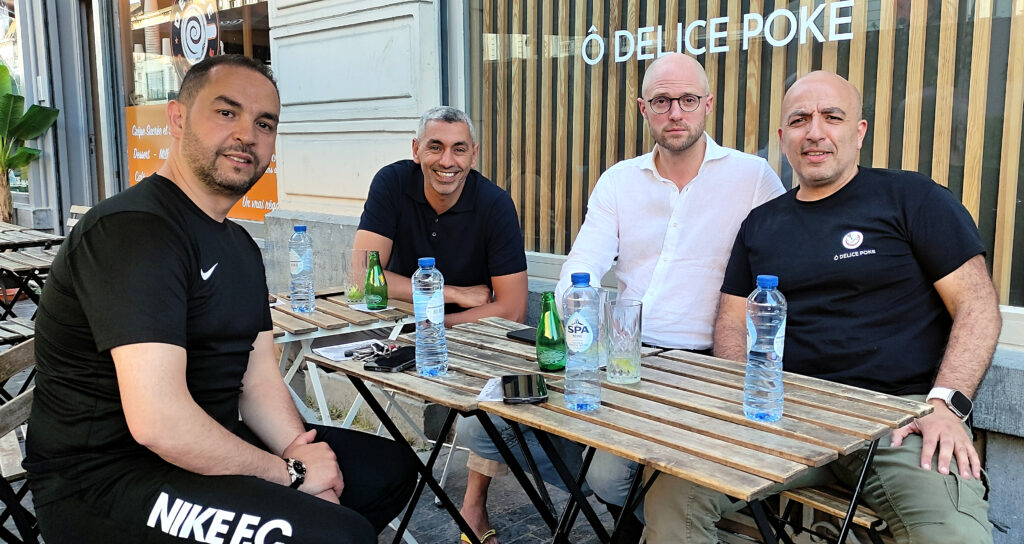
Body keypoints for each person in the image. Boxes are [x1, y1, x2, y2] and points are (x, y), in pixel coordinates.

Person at [23, 54, 417, 544]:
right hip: (107, 482)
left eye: (264, 123)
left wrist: (299, 453)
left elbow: (258, 383)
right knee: (340, 536)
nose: (247, 135)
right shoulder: (133, 231)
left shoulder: (239, 247)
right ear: (177, 118)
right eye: (226, 112)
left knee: (390, 468)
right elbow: (159, 423)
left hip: (209, 447)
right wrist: (292, 475)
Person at [642, 70, 999, 543]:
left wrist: (946, 405)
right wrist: (739, 398)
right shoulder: (761, 224)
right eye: (799, 120)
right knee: (672, 502)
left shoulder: (912, 198)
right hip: (785, 416)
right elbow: (731, 324)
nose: (815, 132)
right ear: (782, 137)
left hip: (898, 421)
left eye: (832, 117)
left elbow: (977, 305)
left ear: (859, 131)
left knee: (952, 535)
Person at [454, 53, 785, 544]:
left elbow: (780, 268)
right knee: (478, 429)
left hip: (700, 366)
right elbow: (579, 271)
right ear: (642, 108)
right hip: (621, 357)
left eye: (688, 100)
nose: (676, 112)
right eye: (662, 101)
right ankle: (630, 499)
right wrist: (582, 328)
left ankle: (632, 509)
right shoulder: (619, 180)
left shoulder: (752, 177)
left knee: (608, 475)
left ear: (708, 105)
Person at [353, 106, 528, 326]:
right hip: (393, 322)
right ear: (416, 150)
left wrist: (435, 325)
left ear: (473, 156)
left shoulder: (495, 204)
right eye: (435, 147)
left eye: (459, 149)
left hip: (468, 332)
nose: (446, 161)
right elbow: (362, 277)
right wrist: (451, 293)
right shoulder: (392, 183)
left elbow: (514, 311)